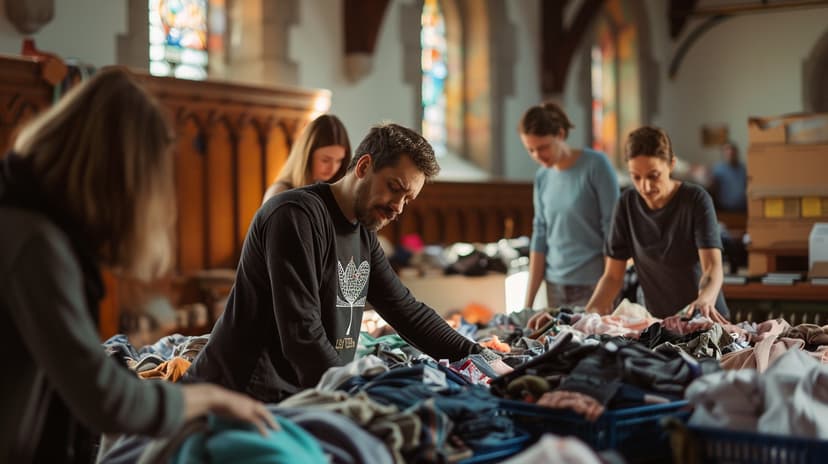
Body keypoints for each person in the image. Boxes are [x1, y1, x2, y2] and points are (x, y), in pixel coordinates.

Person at [0, 68, 275, 462]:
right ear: (117, 180)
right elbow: (104, 399)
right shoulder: (34, 241)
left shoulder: (26, 217)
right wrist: (209, 398)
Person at [187, 123, 484, 402]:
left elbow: (406, 310)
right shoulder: (294, 215)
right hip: (239, 394)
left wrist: (480, 357)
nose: (398, 207)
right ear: (364, 166)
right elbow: (302, 333)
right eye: (395, 187)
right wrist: (353, 397)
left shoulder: (363, 232)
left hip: (302, 392)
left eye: (408, 199)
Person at [584, 126, 729, 322]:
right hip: (657, 322)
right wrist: (588, 316)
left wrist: (704, 301)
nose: (645, 186)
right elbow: (612, 277)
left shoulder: (695, 200)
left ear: (671, 165)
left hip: (703, 318)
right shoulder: (627, 204)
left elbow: (712, 267)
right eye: (636, 177)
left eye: (653, 175)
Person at [520, 103, 619, 329]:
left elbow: (612, 231)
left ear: (561, 134)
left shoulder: (596, 165)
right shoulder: (543, 177)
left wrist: (610, 291)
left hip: (594, 283)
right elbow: (540, 236)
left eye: (543, 147)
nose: (538, 155)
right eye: (531, 149)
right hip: (555, 283)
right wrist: (529, 303)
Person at [262, 114, 351, 203]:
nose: (333, 168)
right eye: (325, 160)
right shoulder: (279, 192)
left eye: (339, 160)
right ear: (307, 156)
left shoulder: (335, 194)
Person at [709, 141, 747, 212]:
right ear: (723, 153)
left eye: (732, 150)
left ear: (736, 152)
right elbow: (712, 189)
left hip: (742, 209)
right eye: (727, 150)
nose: (730, 153)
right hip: (724, 209)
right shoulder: (717, 169)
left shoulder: (744, 169)